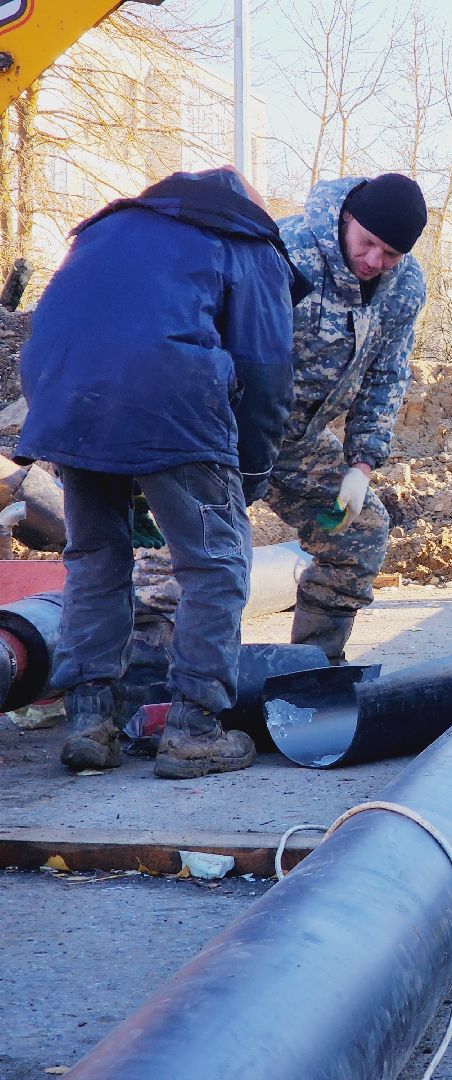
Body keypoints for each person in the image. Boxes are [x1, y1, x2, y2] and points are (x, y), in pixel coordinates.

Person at [17, 167, 303, 778]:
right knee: (216, 565)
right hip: (172, 402)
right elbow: (267, 369)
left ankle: (91, 721)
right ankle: (194, 730)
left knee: (95, 557)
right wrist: (246, 477)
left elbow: (56, 324)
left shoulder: (105, 230)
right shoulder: (246, 240)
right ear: (250, 208)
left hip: (67, 400)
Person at [269, 173, 428, 661]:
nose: (375, 262)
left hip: (299, 442)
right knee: (200, 555)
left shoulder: (402, 288)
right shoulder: (284, 252)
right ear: (346, 219)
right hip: (231, 433)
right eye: (368, 244)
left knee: (359, 530)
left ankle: (312, 670)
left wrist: (360, 466)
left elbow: (387, 375)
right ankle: (160, 693)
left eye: (391, 254)